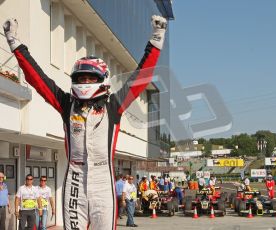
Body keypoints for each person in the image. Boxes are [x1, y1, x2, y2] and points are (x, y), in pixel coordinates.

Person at [3, 14, 167, 229]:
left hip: (103, 183)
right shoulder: (66, 104)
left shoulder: (113, 105)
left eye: (90, 78)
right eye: (81, 78)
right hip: (75, 181)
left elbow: (140, 78)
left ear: (102, 80)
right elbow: (39, 79)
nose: (85, 82)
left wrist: (156, 38)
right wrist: (15, 43)